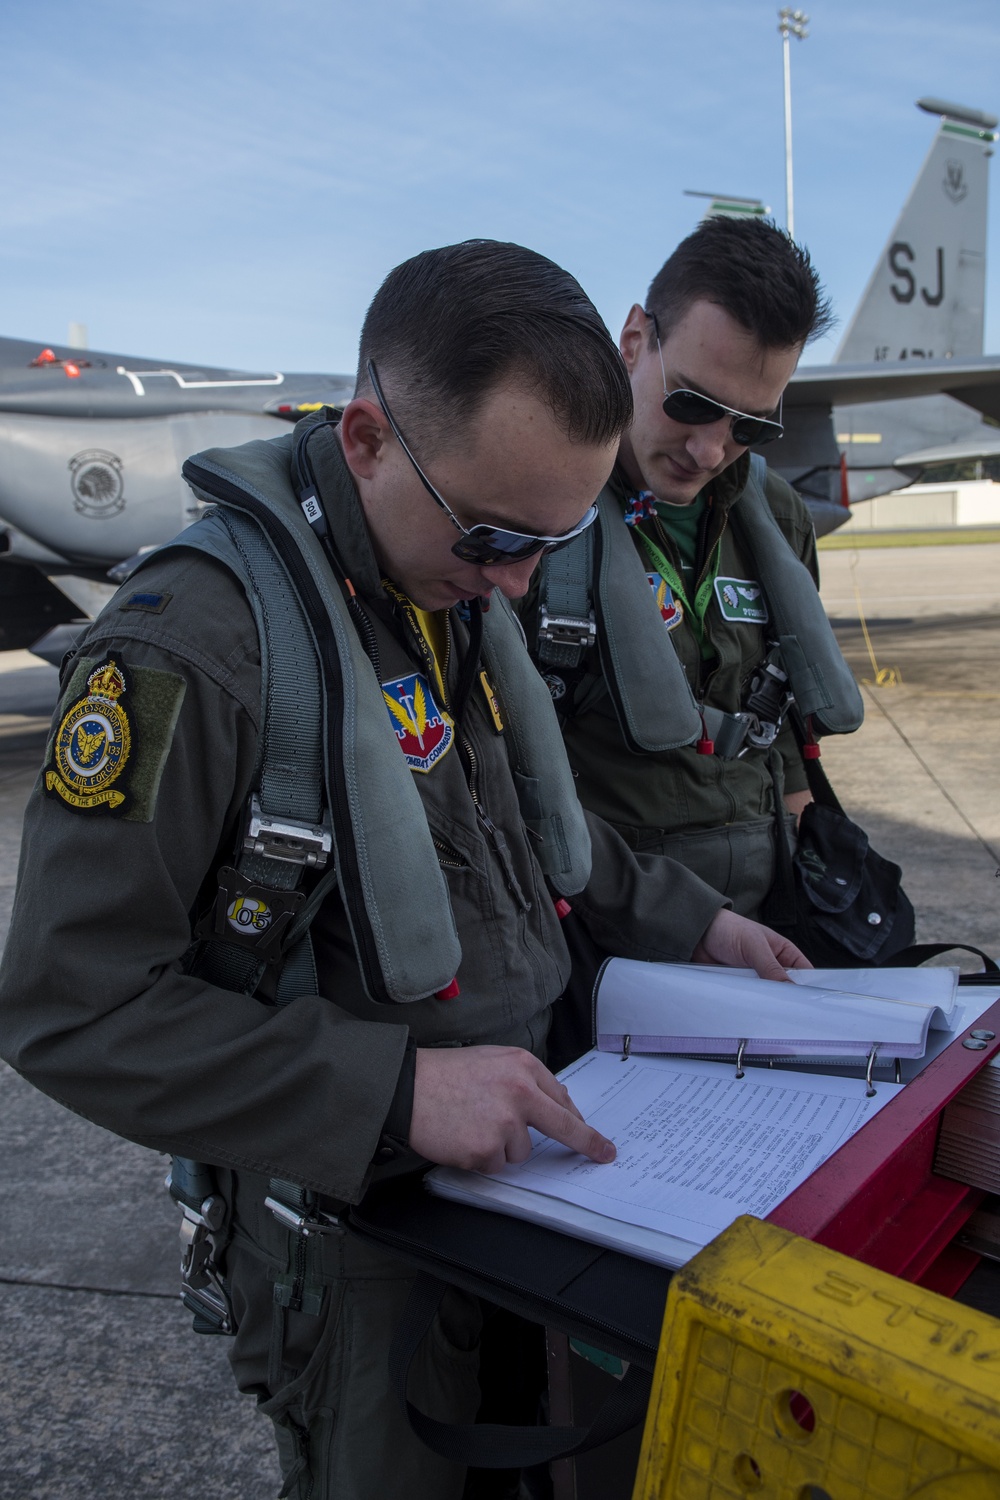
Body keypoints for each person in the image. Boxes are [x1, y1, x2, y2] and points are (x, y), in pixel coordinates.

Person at [0, 240, 807, 1500]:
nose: (516, 581)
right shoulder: (192, 649)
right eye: (494, 536)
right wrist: (394, 1092)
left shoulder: (437, 577)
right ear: (368, 439)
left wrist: (694, 921)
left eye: (550, 540)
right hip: (363, 1234)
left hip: (521, 1175)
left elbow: (513, 830)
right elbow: (70, 1006)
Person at [524, 216, 860, 929]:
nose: (710, 451)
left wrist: (818, 883)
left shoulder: (775, 520)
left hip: (762, 910)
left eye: (750, 425)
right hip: (599, 919)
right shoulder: (537, 511)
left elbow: (783, 722)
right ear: (633, 342)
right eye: (692, 403)